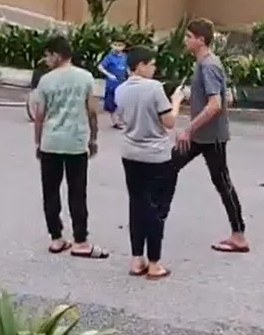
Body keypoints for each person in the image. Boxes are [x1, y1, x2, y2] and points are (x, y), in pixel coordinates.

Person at [167, 18, 247, 254]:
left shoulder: (209, 65)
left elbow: (215, 106)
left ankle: (239, 235)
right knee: (169, 166)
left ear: (200, 40)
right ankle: (157, 214)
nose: (186, 40)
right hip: (201, 136)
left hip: (211, 137)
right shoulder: (202, 63)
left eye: (189, 37)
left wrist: (188, 130)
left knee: (222, 182)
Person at [31, 35, 107, 259]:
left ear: (56, 54)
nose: (46, 60)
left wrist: (38, 142)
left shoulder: (45, 81)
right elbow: (92, 111)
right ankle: (80, 241)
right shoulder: (85, 78)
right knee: (77, 192)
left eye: (47, 55)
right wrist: (93, 138)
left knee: (51, 191)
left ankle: (56, 238)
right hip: (75, 143)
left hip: (51, 142)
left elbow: (40, 116)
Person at [115, 47, 177, 280]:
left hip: (130, 153)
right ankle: (155, 262)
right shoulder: (155, 88)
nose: (154, 68)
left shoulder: (121, 90)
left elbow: (122, 118)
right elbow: (168, 122)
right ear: (140, 65)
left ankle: (136, 259)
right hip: (156, 155)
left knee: (136, 204)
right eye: (151, 64)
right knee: (156, 209)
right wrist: (177, 101)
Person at [98, 39, 128, 128]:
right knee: (112, 102)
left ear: (124, 46)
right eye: (115, 45)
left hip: (122, 81)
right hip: (112, 82)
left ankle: (122, 119)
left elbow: (128, 68)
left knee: (122, 101)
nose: (117, 47)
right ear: (111, 45)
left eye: (120, 45)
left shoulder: (125, 57)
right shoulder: (109, 57)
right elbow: (100, 67)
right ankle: (115, 122)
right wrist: (109, 75)